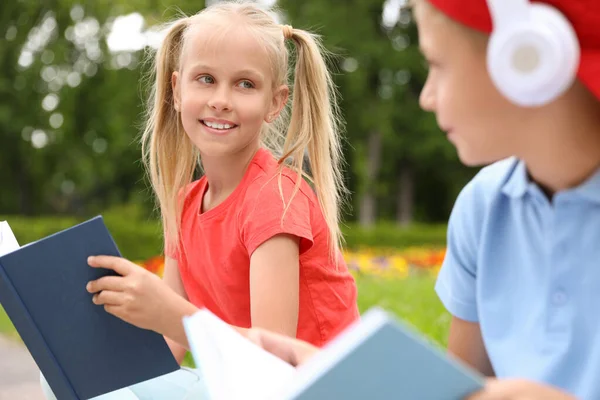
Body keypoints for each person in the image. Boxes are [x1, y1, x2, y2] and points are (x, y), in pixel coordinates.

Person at [246, 1, 600, 399]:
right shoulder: (483, 208)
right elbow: (458, 390)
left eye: (436, 63)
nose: (426, 97)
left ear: (528, 58)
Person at [41, 0, 359, 398]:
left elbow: (273, 361)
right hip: (241, 383)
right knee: (72, 384)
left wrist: (173, 315)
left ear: (275, 103)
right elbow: (170, 348)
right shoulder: (186, 203)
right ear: (176, 90)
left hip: (316, 388)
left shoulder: (276, 197)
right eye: (205, 79)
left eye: (246, 84)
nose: (221, 99)